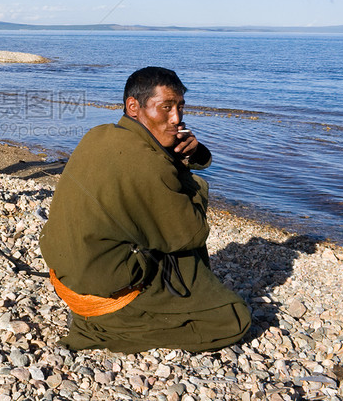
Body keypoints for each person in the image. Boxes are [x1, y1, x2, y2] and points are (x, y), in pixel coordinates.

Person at [39, 66, 251, 353]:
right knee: (234, 318)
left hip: (69, 275)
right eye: (165, 108)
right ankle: (106, 330)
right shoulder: (148, 163)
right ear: (133, 107)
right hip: (105, 290)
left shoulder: (100, 134)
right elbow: (193, 233)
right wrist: (193, 180)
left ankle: (109, 316)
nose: (176, 119)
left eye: (180, 107)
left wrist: (192, 154)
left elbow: (153, 171)